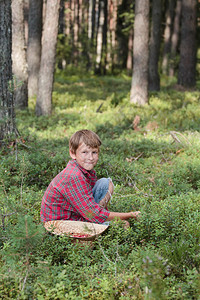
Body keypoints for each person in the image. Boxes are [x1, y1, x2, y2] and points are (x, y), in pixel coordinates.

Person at [40, 129, 140, 227]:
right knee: (123, 225)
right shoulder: (74, 176)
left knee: (105, 183)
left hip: (74, 215)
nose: (91, 158)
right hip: (57, 225)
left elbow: (89, 203)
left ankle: (96, 223)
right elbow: (93, 213)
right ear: (73, 153)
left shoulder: (87, 171)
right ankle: (92, 228)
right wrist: (130, 215)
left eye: (94, 152)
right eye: (84, 152)